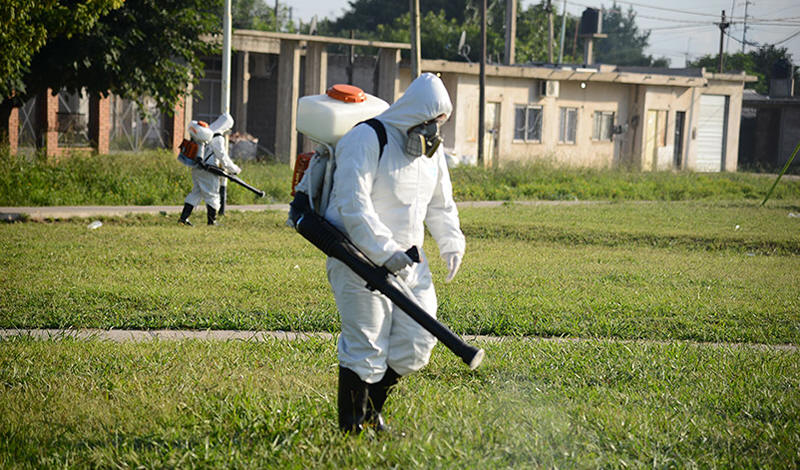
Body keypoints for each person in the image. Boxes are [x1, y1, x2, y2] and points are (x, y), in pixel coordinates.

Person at [324, 73, 465, 434]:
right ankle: (353, 427)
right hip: (359, 260)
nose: (436, 131)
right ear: (417, 113)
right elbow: (353, 205)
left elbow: (441, 204)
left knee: (417, 344)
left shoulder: (430, 154)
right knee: (366, 345)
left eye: (441, 124)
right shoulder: (366, 138)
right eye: (434, 122)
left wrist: (452, 242)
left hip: (410, 264)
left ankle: (371, 412)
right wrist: (383, 251)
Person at [178, 113, 241, 226]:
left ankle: (183, 218)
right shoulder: (217, 137)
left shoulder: (205, 132)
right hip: (208, 170)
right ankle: (212, 222)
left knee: (196, 193)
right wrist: (234, 169)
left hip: (197, 168)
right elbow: (223, 157)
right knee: (212, 194)